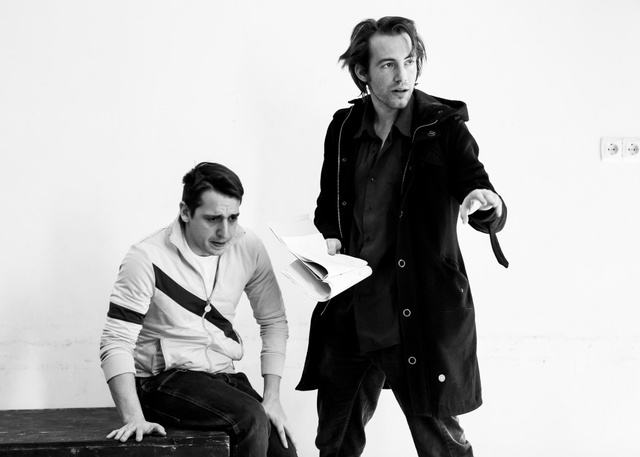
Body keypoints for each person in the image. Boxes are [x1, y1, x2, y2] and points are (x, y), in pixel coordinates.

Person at [297, 16, 508, 457]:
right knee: (334, 441)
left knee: (441, 444)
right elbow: (328, 206)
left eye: (409, 61)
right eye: (388, 64)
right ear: (363, 72)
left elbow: (477, 184)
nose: (402, 75)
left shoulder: (443, 127)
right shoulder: (343, 129)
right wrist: (330, 239)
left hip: (416, 311)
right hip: (351, 308)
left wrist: (487, 203)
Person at [99, 162, 297, 457]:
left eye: (233, 218)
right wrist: (133, 417)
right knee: (250, 418)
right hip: (161, 380)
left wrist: (272, 397)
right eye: (213, 219)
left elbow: (274, 321)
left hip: (221, 376)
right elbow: (115, 341)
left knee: (283, 449)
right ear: (185, 211)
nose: (225, 232)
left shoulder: (248, 246)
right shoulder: (145, 257)